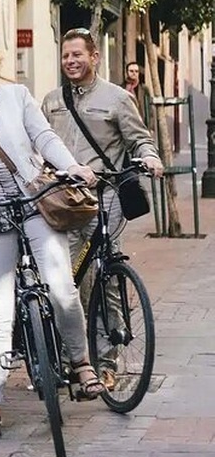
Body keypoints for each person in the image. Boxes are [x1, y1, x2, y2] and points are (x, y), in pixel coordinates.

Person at [0, 31, 104, 445]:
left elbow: (44, 137)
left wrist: (72, 167)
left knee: (62, 287)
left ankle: (81, 363)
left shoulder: (16, 98)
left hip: (34, 201)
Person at [41, 28, 163, 388]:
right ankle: (70, 356)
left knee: (105, 275)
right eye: (66, 56)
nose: (71, 61)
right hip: (62, 200)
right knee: (68, 278)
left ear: (94, 57)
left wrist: (150, 158)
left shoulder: (118, 98)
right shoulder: (51, 100)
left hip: (104, 196)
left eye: (78, 54)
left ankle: (107, 359)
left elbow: (140, 139)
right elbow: (39, 143)